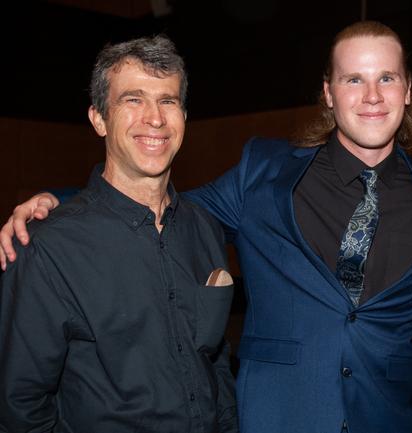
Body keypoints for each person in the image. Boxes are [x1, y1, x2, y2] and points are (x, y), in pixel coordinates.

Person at [0, 21, 412, 433]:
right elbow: (152, 209)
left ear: (408, 89)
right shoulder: (262, 175)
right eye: (354, 78)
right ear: (328, 92)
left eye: (387, 78)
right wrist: (57, 204)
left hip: (388, 419)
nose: (372, 95)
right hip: (277, 418)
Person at [0, 36, 238, 432]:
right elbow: (18, 408)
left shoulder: (204, 228)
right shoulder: (48, 250)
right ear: (98, 118)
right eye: (133, 100)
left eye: (168, 100)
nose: (155, 118)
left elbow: (214, 363)